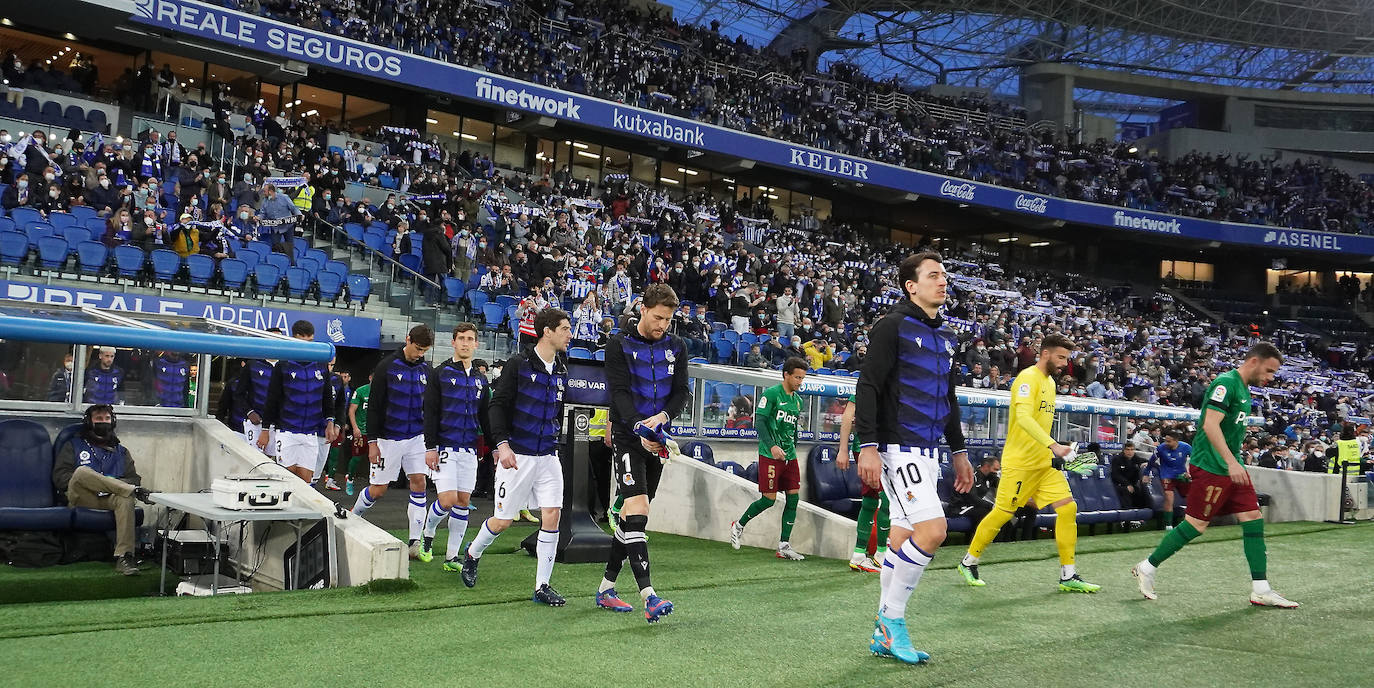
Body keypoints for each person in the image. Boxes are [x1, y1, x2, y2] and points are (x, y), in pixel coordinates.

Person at [853, 251, 974, 665]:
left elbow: (949, 398)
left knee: (902, 539)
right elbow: (867, 386)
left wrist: (958, 451)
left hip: (929, 451)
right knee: (934, 530)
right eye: (934, 275)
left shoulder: (947, 338)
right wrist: (866, 445)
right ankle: (891, 622)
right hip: (896, 447)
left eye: (945, 275)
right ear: (911, 285)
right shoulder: (892, 326)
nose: (943, 281)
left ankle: (881, 633)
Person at [1132, 342, 1298, 608]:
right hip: (1213, 467)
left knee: (1253, 518)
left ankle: (1261, 589)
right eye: (1268, 371)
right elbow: (1210, 425)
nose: (1270, 378)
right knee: (1196, 525)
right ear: (1254, 361)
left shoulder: (1243, 388)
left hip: (1231, 467)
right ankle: (1147, 567)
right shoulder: (1226, 383)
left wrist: (1235, 463)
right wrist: (1232, 462)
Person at [957, 334, 1099, 593]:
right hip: (1020, 462)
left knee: (1068, 509)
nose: (1064, 363)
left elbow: (1040, 423)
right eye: (1060, 357)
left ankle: (1068, 574)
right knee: (1003, 513)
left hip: (1044, 463)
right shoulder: (1026, 379)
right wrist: (1054, 445)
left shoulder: (1051, 383)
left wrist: (1057, 446)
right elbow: (1022, 418)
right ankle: (969, 561)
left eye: (1066, 358)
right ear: (1045, 353)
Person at [460, 308, 571, 607]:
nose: (569, 334)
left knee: (552, 514)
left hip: (548, 455)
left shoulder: (562, 366)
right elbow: (497, 406)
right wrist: (502, 445)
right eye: (564, 328)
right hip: (517, 455)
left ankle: (542, 586)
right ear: (547, 331)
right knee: (503, 521)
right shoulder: (518, 364)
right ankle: (473, 553)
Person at [595, 284, 689, 622]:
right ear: (644, 309)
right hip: (627, 433)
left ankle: (606, 588)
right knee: (639, 508)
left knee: (631, 517)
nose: (663, 324)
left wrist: (662, 419)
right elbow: (618, 393)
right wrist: (639, 427)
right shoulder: (619, 344)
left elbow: (682, 393)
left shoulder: (676, 346)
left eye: (668, 319)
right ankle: (649, 596)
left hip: (658, 436)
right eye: (658, 317)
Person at [351, 325, 435, 559]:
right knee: (378, 490)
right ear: (408, 340)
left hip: (417, 437)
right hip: (388, 439)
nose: (420, 354)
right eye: (418, 348)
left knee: (419, 482)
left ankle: (414, 542)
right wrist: (372, 442)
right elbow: (375, 407)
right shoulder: (386, 366)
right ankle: (351, 517)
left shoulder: (427, 369)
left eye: (424, 350)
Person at [51, 405, 154, 576]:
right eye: (98, 419)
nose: (103, 422)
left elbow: (133, 478)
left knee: (126, 498)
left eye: (107, 419)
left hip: (109, 499)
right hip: (80, 497)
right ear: (89, 422)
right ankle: (135, 491)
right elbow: (60, 477)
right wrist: (94, 482)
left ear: (113, 422)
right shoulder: (73, 445)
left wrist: (110, 484)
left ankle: (124, 557)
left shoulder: (121, 452)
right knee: (82, 472)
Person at [420, 323, 491, 569]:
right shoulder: (439, 373)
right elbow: (429, 412)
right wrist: (430, 447)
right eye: (461, 338)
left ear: (475, 344)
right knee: (448, 500)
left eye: (470, 339)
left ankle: (451, 557)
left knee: (463, 501)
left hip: (469, 449)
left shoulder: (482, 380)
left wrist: (494, 446)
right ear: (453, 342)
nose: (465, 342)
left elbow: (485, 417)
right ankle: (427, 532)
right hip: (444, 448)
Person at [730, 357, 808, 560]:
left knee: (793, 498)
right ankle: (738, 525)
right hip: (770, 455)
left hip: (789, 456)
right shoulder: (772, 394)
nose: (800, 381)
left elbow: (794, 429)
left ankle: (784, 545)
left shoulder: (797, 401)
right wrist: (772, 446)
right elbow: (761, 422)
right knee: (768, 500)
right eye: (797, 377)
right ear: (786, 375)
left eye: (802, 378)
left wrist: (793, 449)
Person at [260, 321, 337, 482]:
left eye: (310, 342)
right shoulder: (283, 365)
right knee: (287, 478)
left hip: (310, 433)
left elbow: (327, 396)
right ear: (294, 338)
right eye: (303, 341)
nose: (307, 346)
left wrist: (330, 421)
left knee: (305, 480)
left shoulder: (320, 363)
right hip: (287, 431)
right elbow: (272, 399)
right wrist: (266, 429)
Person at [836, 394, 888, 573]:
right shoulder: (870, 383)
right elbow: (847, 417)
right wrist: (842, 450)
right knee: (885, 499)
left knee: (871, 500)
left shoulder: (896, 384)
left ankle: (859, 555)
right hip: (868, 450)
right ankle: (881, 555)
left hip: (885, 450)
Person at [232, 345, 280, 460]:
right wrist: (249, 412)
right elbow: (239, 394)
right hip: (256, 423)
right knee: (254, 459)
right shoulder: (253, 365)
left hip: (277, 424)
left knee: (270, 461)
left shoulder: (285, 366)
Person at [1151, 431, 1192, 530]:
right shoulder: (1161, 448)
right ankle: (1168, 525)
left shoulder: (1186, 447)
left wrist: (1189, 472)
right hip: (1167, 475)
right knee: (1169, 498)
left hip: (1181, 475)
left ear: (1176, 441)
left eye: (1169, 441)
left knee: (1191, 497)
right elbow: (1152, 460)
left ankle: (1189, 521)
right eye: (1165, 440)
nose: (1166, 443)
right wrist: (1146, 473)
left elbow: (1194, 459)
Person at [950, 456, 1000, 529]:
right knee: (985, 512)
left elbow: (1002, 487)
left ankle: (1006, 539)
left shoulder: (990, 477)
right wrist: (992, 506)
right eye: (995, 469)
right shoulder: (971, 476)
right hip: (960, 507)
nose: (996, 472)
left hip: (974, 506)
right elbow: (973, 499)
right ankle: (977, 539)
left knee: (1004, 513)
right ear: (986, 466)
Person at [344, 373, 371, 497]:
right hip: (361, 430)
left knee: (376, 458)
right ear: (370, 377)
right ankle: (350, 479)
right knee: (357, 457)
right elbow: (351, 410)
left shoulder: (383, 391)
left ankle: (374, 484)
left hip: (375, 432)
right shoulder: (361, 391)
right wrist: (355, 427)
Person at [1111, 443, 1149, 509]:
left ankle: (1141, 513)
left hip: (1132, 484)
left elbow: (1153, 463)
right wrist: (1127, 484)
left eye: (1132, 450)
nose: (1130, 452)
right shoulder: (1117, 459)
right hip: (1119, 484)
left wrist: (1147, 463)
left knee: (1141, 491)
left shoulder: (1135, 458)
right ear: (1124, 450)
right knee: (1125, 490)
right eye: (1127, 450)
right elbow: (1116, 475)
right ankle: (1127, 512)